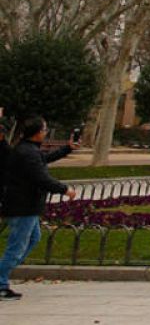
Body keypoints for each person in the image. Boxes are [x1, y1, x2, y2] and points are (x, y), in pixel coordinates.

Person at [0, 117, 77, 301]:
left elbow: (44, 159)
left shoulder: (28, 149)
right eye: (44, 129)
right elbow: (41, 178)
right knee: (16, 248)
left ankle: (3, 272)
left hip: (28, 206)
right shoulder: (27, 153)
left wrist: (67, 149)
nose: (45, 132)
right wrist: (64, 189)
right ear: (37, 133)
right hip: (22, 207)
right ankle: (1, 283)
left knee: (33, 238)